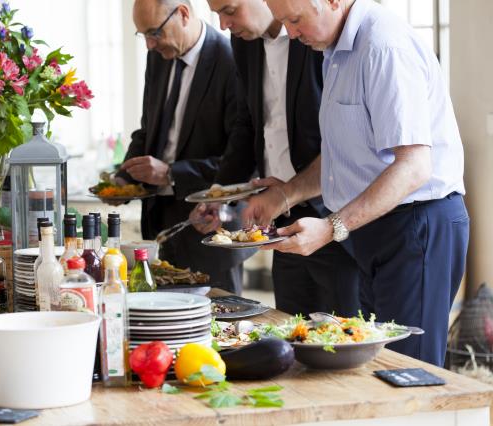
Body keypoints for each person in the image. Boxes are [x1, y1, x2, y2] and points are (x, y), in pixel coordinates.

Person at [245, 0, 468, 366]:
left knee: (406, 370)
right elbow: (342, 159)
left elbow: (413, 166)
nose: (291, 33)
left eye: (296, 19)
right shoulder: (335, 50)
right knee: (374, 366)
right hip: (374, 230)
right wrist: (286, 194)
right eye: (283, 21)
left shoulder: (383, 45)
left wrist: (331, 228)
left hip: (417, 226)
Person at [190, 0, 360, 316]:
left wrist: (293, 194)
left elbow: (344, 137)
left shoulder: (314, 33)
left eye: (229, 10)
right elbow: (248, 124)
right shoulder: (243, 43)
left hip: (333, 214)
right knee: (291, 332)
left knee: (345, 334)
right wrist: (220, 194)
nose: (224, 25)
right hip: (280, 221)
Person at [115, 0, 254, 293]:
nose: (150, 45)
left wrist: (171, 173)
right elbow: (148, 130)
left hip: (210, 223)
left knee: (215, 329)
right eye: (143, 36)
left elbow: (242, 154)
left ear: (183, 14)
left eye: (154, 33)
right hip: (160, 220)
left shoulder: (231, 58)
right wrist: (122, 180)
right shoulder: (158, 57)